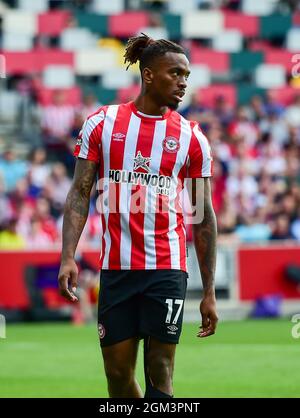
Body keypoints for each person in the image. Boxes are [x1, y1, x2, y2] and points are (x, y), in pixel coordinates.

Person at [58, 33, 218, 398]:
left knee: (160, 370)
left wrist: (208, 291)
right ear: (148, 75)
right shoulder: (102, 123)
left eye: (187, 76)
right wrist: (68, 254)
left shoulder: (192, 137)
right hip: (117, 270)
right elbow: (80, 192)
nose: (183, 83)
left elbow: (203, 216)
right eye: (175, 73)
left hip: (167, 268)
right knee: (117, 375)